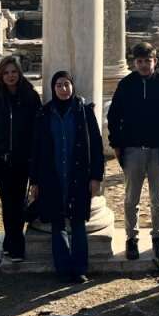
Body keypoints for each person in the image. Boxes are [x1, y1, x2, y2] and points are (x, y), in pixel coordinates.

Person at [31, 71, 105, 284]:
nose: (63, 89)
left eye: (67, 85)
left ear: (73, 86)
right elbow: (36, 150)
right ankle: (63, 269)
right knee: (57, 223)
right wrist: (35, 181)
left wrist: (96, 177)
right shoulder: (44, 114)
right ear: (53, 89)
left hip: (78, 175)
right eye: (59, 86)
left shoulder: (84, 112)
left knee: (78, 222)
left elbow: (97, 148)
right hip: (52, 176)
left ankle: (80, 268)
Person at [107, 42, 159, 261]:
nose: (144, 65)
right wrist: (117, 144)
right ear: (134, 63)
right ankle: (132, 238)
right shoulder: (126, 85)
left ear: (155, 61)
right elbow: (113, 116)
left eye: (148, 61)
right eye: (140, 61)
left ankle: (158, 237)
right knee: (131, 199)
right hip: (133, 150)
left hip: (158, 150)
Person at [0, 55, 41, 263]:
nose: (10, 76)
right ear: (1, 75)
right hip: (0, 159)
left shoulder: (30, 95)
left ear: (19, 73)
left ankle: (13, 242)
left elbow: (36, 129)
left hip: (23, 158)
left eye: (14, 72)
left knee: (19, 201)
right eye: (6, 72)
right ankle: (14, 242)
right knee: (8, 201)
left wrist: (36, 156)